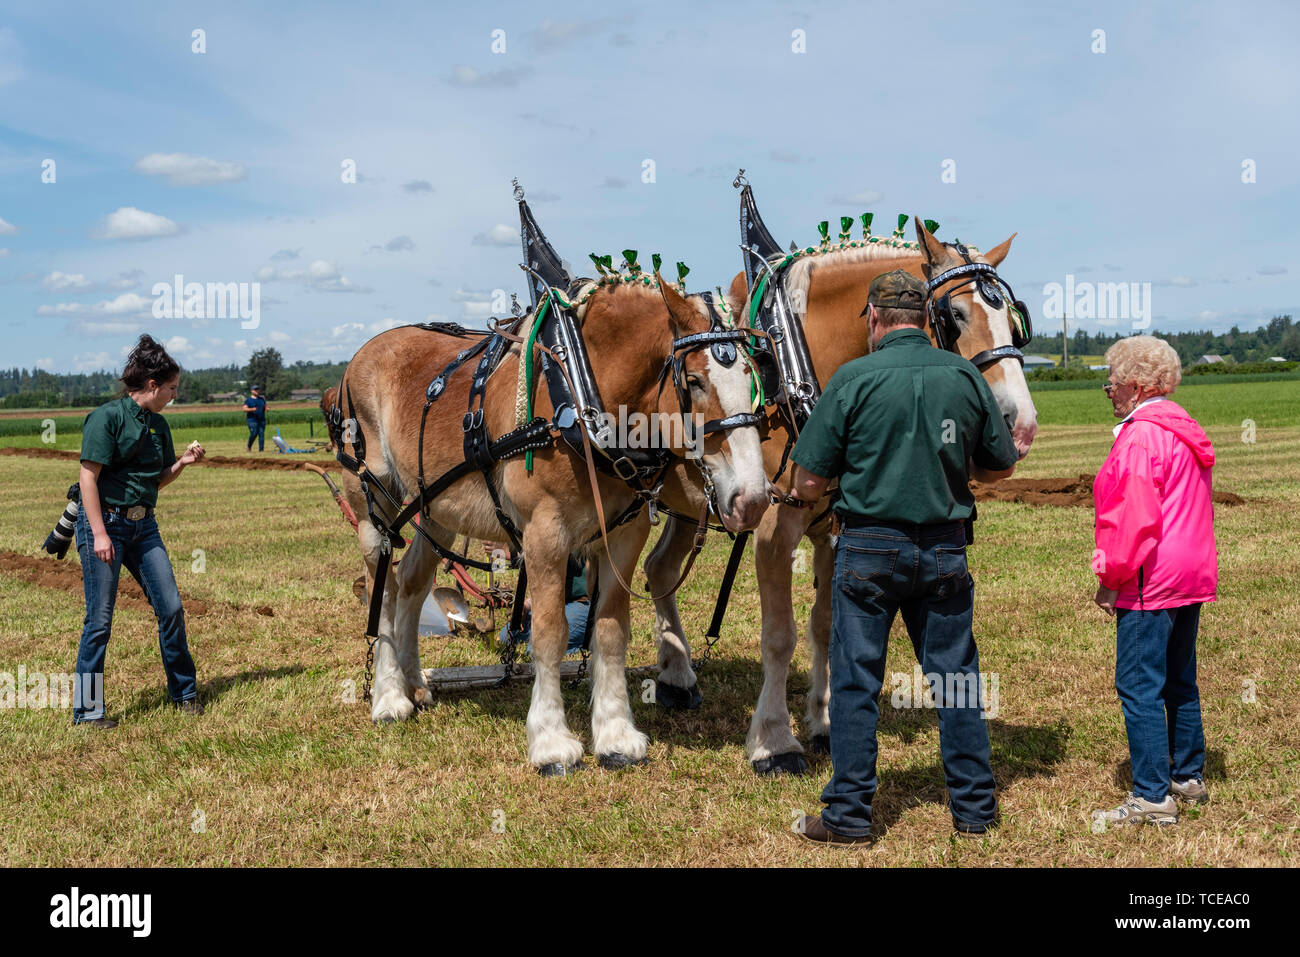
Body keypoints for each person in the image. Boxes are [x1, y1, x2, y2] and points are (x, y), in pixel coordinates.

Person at [788, 269, 1019, 844]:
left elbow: (809, 481)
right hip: (943, 551)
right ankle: (974, 809)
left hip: (867, 551)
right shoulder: (964, 376)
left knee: (857, 682)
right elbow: (1001, 466)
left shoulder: (851, 379)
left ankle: (848, 816)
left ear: (873, 318)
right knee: (957, 680)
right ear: (924, 318)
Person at [1090, 335, 1216, 828]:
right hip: (1192, 572)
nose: (1109, 392)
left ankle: (1151, 797)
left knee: (1139, 684)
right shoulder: (1186, 428)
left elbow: (1133, 519)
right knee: (1180, 677)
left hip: (1151, 577)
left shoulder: (1140, 436)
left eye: (1112, 383)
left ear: (1137, 387)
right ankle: (1188, 776)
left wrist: (1111, 577)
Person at [73, 334, 207, 728]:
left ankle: (184, 693)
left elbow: (155, 480)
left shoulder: (159, 425)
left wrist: (181, 462)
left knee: (171, 608)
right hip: (106, 525)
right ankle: (88, 711)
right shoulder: (107, 418)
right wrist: (98, 533)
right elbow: (87, 478)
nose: (174, 395)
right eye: (171, 388)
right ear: (151, 385)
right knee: (99, 621)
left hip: (144, 526)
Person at [497, 554, 590, 655]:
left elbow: (549, 552)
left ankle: (592, 645)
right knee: (505, 638)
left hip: (584, 604)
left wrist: (512, 553)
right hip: (554, 602)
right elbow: (551, 587)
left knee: (538, 649)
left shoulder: (571, 541)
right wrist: (526, 605)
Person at [243, 383, 267, 451]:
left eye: (257, 389)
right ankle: (249, 446)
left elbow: (265, 406)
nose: (257, 391)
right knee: (254, 433)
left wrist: (267, 408)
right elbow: (244, 409)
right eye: (255, 389)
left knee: (261, 434)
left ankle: (261, 450)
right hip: (252, 420)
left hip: (261, 420)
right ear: (252, 391)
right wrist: (252, 409)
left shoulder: (261, 399)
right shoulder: (248, 400)